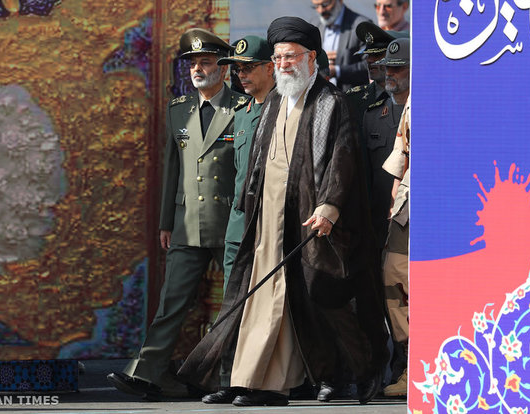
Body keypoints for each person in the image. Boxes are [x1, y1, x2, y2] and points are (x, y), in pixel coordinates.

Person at [179, 16, 388, 407]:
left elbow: (342, 159)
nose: (284, 64)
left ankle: (352, 373)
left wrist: (330, 206)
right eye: (278, 58)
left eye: (291, 56)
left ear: (311, 57)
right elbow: (258, 159)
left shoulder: (332, 102)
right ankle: (254, 381)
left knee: (321, 296)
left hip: (312, 218)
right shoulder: (275, 100)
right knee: (258, 295)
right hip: (267, 218)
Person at [107, 28, 247, 401]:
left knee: (236, 304)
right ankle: (147, 372)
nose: (197, 69)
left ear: (223, 67)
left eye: (205, 62)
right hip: (187, 223)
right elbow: (172, 169)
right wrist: (166, 222)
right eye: (193, 63)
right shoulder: (179, 109)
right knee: (171, 304)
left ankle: (230, 377)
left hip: (231, 220)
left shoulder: (243, 107)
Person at [200, 35, 276, 405]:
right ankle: (230, 378)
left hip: (270, 225)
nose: (241, 75)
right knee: (233, 305)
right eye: (238, 69)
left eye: (248, 68)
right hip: (238, 224)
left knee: (265, 306)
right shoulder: (242, 113)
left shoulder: (283, 110)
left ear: (270, 67)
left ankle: (262, 382)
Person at [361, 37, 410, 272]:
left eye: (398, 68)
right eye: (387, 67)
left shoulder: (429, 112)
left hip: (411, 221)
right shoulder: (372, 117)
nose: (390, 73)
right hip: (378, 222)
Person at [380, 95, 410, 397]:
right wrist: (396, 194)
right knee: (394, 275)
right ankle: (412, 363)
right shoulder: (417, 98)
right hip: (412, 197)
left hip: (460, 191)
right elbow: (403, 151)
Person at [309, 0, 372, 91]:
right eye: (316, 6)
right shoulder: (314, 24)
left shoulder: (361, 25)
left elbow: (371, 65)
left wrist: (337, 71)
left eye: (325, 5)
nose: (320, 10)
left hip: (351, 97)